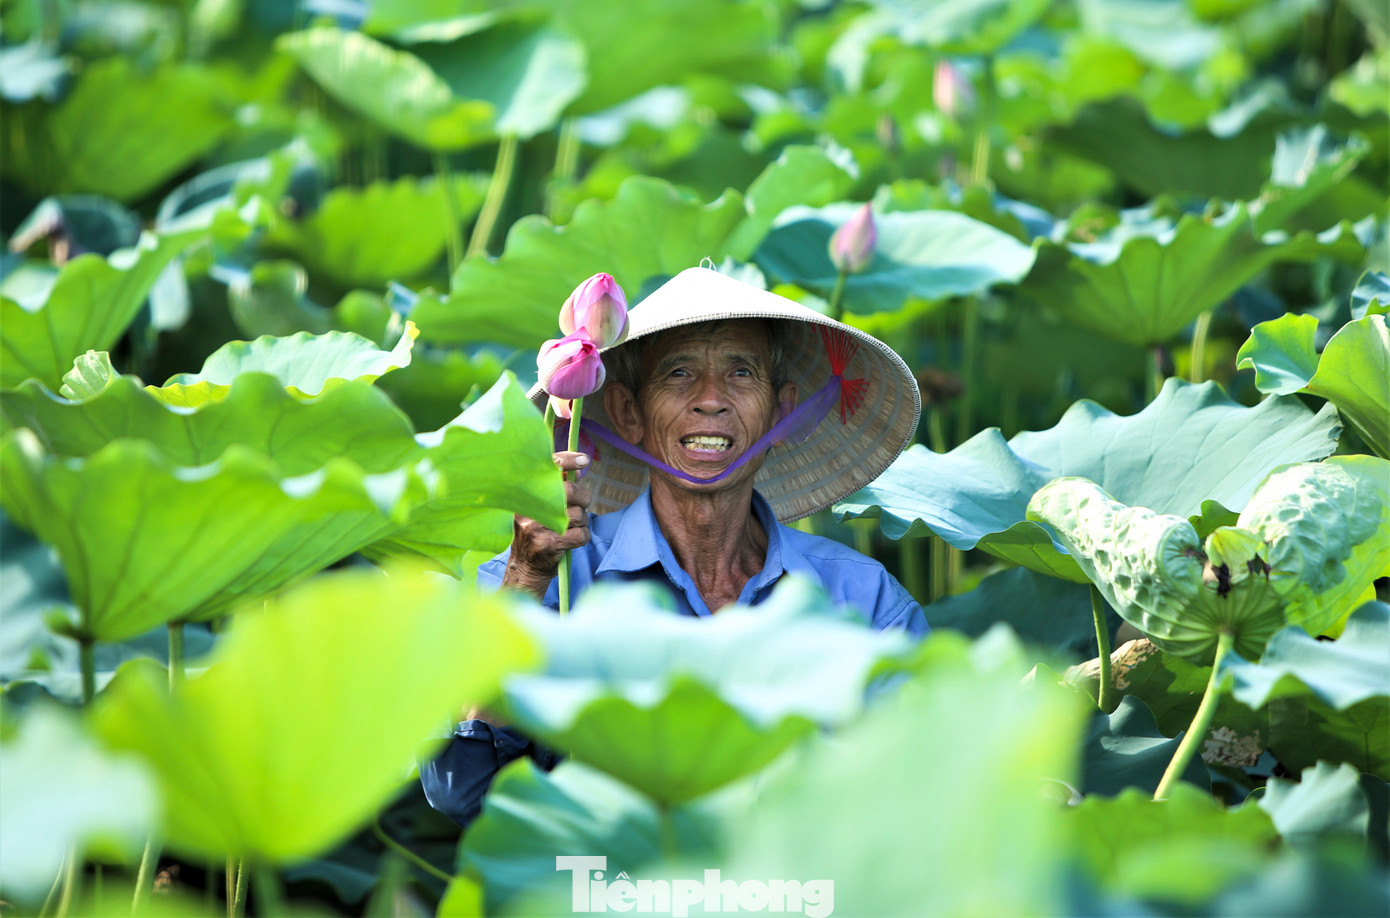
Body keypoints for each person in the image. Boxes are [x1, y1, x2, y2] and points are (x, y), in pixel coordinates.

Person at [421, 265, 927, 826]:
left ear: (782, 411)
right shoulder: (547, 579)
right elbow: (456, 791)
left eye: (741, 372)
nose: (710, 400)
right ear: (627, 414)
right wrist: (524, 582)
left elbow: (911, 800)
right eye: (679, 374)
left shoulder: (863, 601)